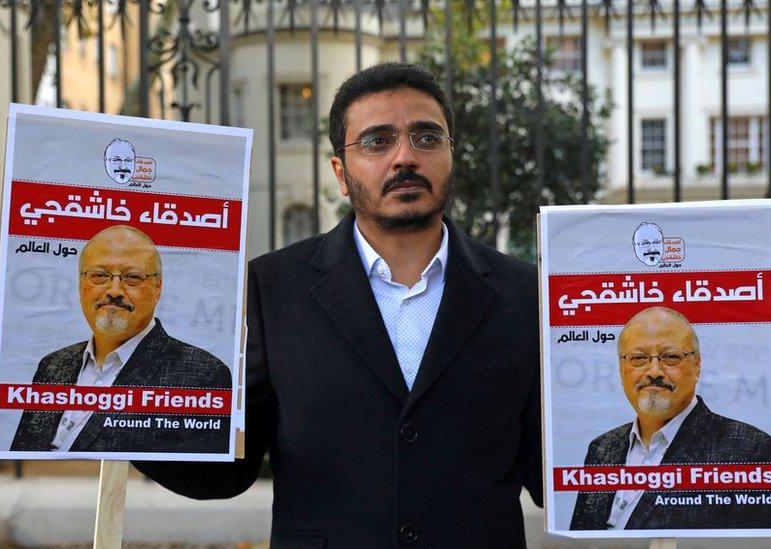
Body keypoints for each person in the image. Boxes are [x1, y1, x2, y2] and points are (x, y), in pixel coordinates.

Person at [134, 63, 543, 547]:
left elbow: (552, 470)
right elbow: (229, 468)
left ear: (452, 155)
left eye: (427, 137)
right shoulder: (275, 287)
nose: (405, 157)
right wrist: (122, 420)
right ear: (341, 173)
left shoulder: (525, 294)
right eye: (377, 141)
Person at [10, 225, 232, 453]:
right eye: (99, 276)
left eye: (133, 277)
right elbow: (23, 453)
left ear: (158, 288)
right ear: (80, 286)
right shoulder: (53, 366)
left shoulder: (201, 376)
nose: (114, 290)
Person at [569, 306, 771, 530]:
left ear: (697, 365)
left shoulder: (750, 451)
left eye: (670, 357)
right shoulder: (601, 449)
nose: (654, 371)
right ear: (622, 369)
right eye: (638, 358)